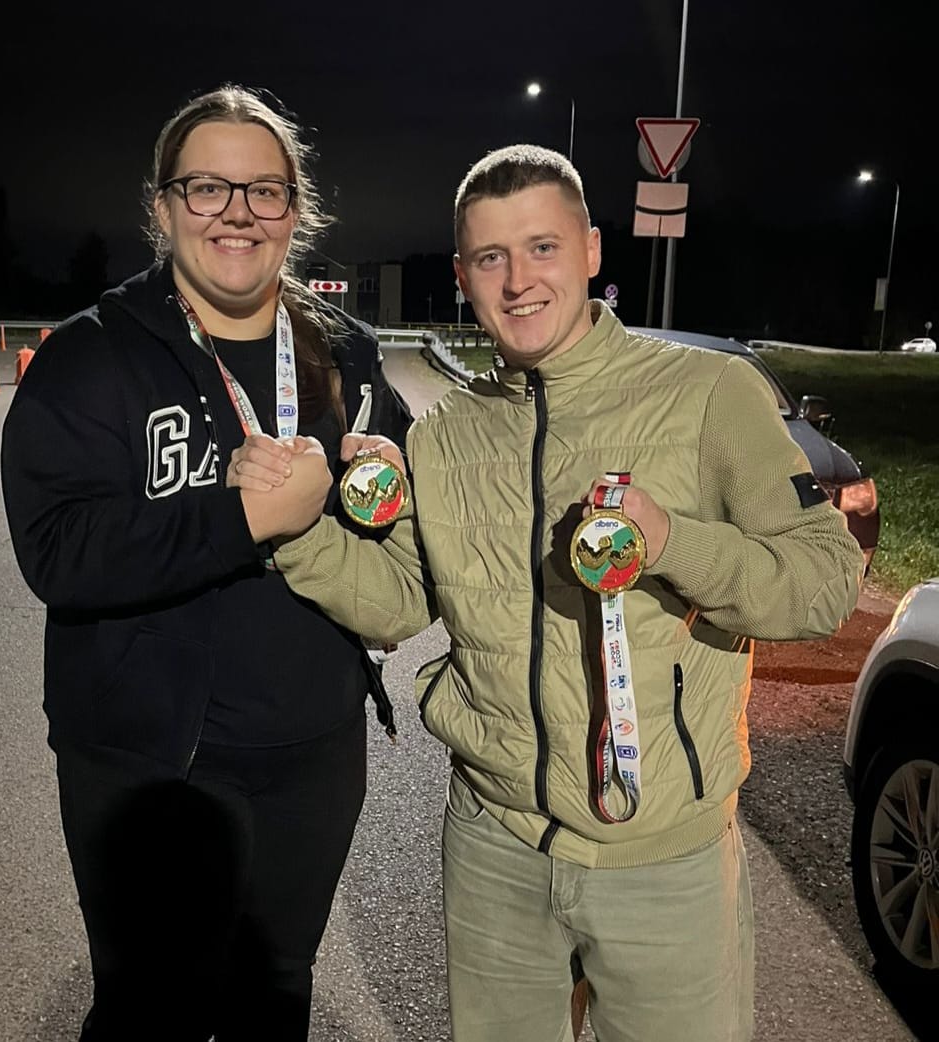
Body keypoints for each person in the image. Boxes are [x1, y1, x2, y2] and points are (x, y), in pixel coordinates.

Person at [229, 144, 864, 1042]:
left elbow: (825, 582)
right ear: (462, 277)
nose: (518, 280)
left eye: (543, 248)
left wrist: (672, 544)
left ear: (592, 251)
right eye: (491, 257)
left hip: (662, 857)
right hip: (494, 845)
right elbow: (400, 601)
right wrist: (295, 530)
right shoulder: (445, 435)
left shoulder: (708, 394)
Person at [0, 85, 411, 1041]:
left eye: (264, 190)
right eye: (207, 188)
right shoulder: (90, 358)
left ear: (295, 211)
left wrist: (384, 481)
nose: (237, 213)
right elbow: (57, 552)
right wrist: (241, 518)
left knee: (277, 991)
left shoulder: (346, 354)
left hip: (312, 752)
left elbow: (390, 520)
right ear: (163, 206)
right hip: (152, 768)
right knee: (151, 1008)